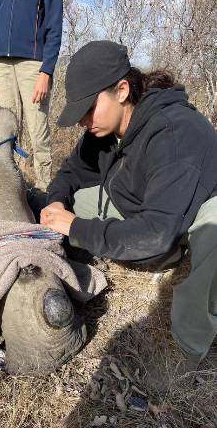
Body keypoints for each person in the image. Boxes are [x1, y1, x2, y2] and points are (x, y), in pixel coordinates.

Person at [40, 40, 217, 371]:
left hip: (190, 219)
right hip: (145, 209)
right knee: (71, 199)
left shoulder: (175, 134)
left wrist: (75, 227)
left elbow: (155, 234)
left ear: (122, 90)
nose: (83, 121)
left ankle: (187, 347)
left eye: (89, 109)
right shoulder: (105, 129)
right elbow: (70, 172)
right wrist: (54, 207)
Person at [0, 0, 63, 190]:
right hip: (2, 64)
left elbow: (54, 28)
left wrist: (46, 72)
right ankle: (11, 188)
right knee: (6, 130)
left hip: (33, 64)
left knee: (38, 128)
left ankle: (44, 188)